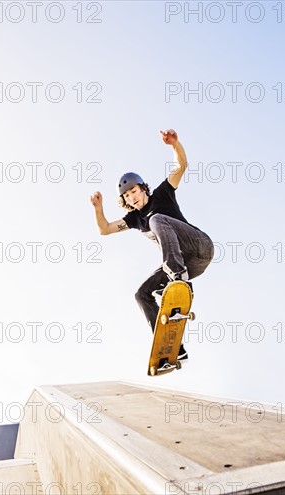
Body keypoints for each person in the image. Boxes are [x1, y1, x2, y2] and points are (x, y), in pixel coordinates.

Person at [89, 129, 214, 364]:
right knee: (141, 294)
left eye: (134, 191)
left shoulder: (163, 194)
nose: (132, 198)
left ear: (143, 189)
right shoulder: (134, 219)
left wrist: (175, 145)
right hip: (188, 265)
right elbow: (104, 229)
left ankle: (177, 277)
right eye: (127, 197)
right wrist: (98, 208)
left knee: (156, 219)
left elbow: (182, 166)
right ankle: (173, 347)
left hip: (200, 246)